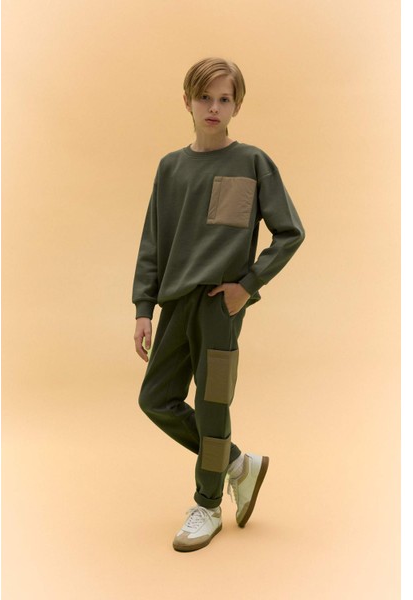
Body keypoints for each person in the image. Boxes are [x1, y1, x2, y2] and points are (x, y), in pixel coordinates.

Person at [132, 57, 305, 552]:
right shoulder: (170, 167)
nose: (213, 107)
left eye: (224, 99)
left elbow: (290, 232)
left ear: (237, 105)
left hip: (219, 309)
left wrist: (246, 286)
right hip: (174, 304)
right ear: (187, 101)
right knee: (155, 399)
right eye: (204, 97)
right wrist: (143, 307)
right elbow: (152, 242)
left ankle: (207, 506)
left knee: (212, 407)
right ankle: (237, 463)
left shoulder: (252, 162)